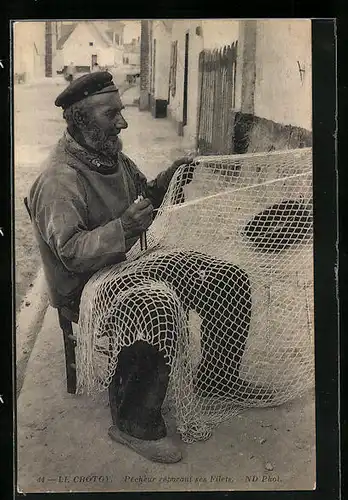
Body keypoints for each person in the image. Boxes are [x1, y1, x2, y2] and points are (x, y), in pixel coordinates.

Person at [28, 71, 272, 464]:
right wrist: (124, 226)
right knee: (153, 307)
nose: (123, 122)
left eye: (120, 112)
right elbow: (70, 253)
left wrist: (168, 179)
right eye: (112, 115)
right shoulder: (59, 179)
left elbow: (142, 196)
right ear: (82, 121)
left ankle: (217, 376)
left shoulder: (110, 155)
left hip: (126, 265)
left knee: (225, 278)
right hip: (85, 284)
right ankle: (133, 423)